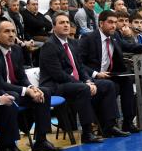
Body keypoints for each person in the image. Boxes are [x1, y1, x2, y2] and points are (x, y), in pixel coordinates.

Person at [37, 12, 117, 143]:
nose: (66, 25)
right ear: (54, 27)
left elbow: (81, 67)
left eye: (67, 22)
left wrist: (88, 80)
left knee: (107, 85)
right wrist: (83, 84)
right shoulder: (49, 45)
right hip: (54, 86)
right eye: (61, 23)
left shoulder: (73, 43)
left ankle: (109, 126)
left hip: (74, 83)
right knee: (82, 89)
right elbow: (58, 74)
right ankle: (87, 132)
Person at [79, 10, 142, 134]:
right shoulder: (88, 38)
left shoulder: (114, 36)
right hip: (92, 77)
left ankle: (128, 122)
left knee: (127, 81)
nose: (113, 25)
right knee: (112, 85)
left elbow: (130, 47)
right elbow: (79, 64)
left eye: (115, 22)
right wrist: (95, 73)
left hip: (108, 75)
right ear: (101, 23)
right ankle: (110, 126)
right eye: (110, 22)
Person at [0, 20, 60, 151]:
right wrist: (27, 90)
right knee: (14, 96)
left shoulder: (17, 50)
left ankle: (41, 140)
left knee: (44, 92)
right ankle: (9, 145)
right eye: (7, 31)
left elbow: (21, 75)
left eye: (13, 31)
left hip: (17, 90)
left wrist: (32, 87)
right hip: (0, 92)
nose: (11, 35)